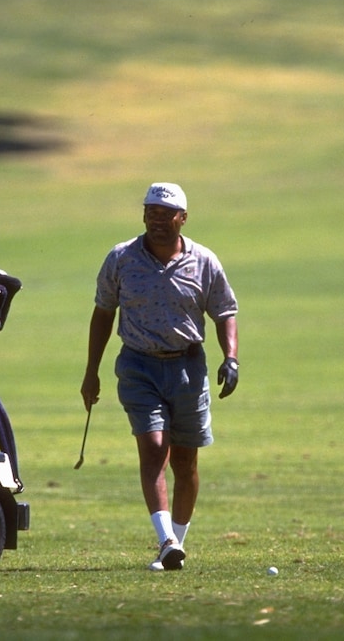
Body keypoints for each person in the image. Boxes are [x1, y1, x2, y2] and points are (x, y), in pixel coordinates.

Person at [80, 182, 239, 571]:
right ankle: (165, 538)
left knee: (186, 465)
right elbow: (103, 313)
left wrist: (230, 358)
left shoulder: (204, 261)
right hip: (138, 365)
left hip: (188, 366)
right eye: (150, 214)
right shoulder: (121, 258)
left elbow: (224, 312)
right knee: (153, 447)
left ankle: (174, 546)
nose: (157, 222)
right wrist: (91, 372)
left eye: (166, 216)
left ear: (182, 219)